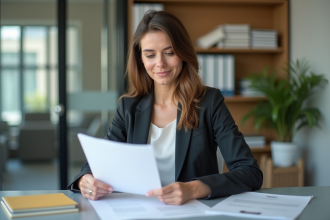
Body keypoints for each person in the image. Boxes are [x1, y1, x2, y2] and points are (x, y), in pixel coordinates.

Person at [68, 11, 263, 205]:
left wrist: (192, 189)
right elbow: (101, 162)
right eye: (150, 55)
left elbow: (250, 172)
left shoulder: (209, 102)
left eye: (169, 53)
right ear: (141, 60)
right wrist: (85, 180)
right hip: (138, 211)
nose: (160, 63)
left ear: (183, 53)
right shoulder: (128, 107)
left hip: (193, 212)